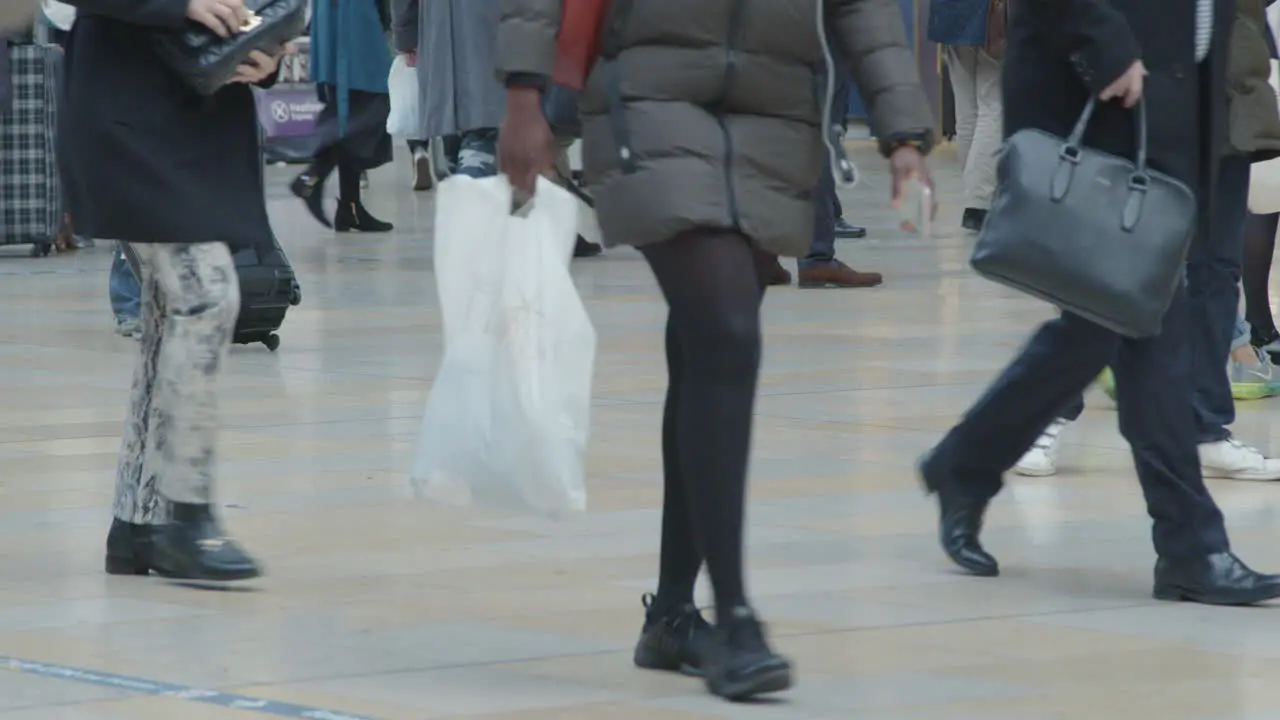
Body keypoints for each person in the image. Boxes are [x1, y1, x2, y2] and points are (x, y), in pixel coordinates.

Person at [497, 0, 935, 701]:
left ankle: (673, 613)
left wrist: (903, 134)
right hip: (651, 96)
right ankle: (735, 619)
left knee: (706, 349)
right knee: (728, 329)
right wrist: (525, 94)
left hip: (774, 113)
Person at [921, 0, 1280, 606]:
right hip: (1101, 92)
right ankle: (1191, 549)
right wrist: (1106, 42)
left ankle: (966, 461)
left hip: (1181, 99)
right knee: (1139, 325)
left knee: (1116, 325)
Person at [60, 0, 284, 580]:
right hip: (125, 116)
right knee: (207, 293)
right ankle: (188, 515)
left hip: (196, 113)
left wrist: (264, 48)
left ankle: (139, 525)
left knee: (170, 321)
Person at [1014, 0, 1280, 481]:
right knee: (1108, 269)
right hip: (1137, 89)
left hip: (1226, 92)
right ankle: (1045, 417)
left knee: (1216, 273)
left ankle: (1206, 427)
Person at [290, 0, 394, 232]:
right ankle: (312, 176)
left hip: (332, 15)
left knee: (349, 105)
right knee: (371, 102)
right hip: (353, 16)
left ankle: (350, 206)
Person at [928, 0, 1003, 232]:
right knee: (993, 105)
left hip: (952, 12)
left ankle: (973, 198)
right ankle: (979, 203)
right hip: (992, 14)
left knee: (966, 111)